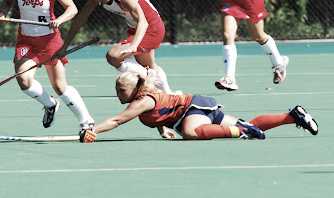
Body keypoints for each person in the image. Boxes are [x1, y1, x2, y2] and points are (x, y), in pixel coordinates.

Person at [0, 0, 94, 131]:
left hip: (50, 41)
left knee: (60, 87)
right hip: (26, 41)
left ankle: (86, 122)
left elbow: (72, 9)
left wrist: (60, 20)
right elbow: (8, 1)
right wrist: (1, 12)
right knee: (24, 80)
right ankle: (50, 105)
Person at [79, 72, 318, 142]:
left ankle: (242, 132)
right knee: (251, 124)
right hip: (198, 106)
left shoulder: (143, 101)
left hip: (191, 110)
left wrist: (93, 130)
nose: (118, 94)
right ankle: (292, 116)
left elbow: (117, 120)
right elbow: (159, 116)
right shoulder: (143, 99)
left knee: (192, 133)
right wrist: (162, 129)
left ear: (135, 90)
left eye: (122, 90)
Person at [56, 0, 177, 95]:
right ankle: (169, 95)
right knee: (149, 65)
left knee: (113, 56)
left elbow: (143, 22)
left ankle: (149, 76)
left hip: (151, 28)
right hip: (134, 28)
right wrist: (64, 46)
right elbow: (80, 19)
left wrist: (134, 45)